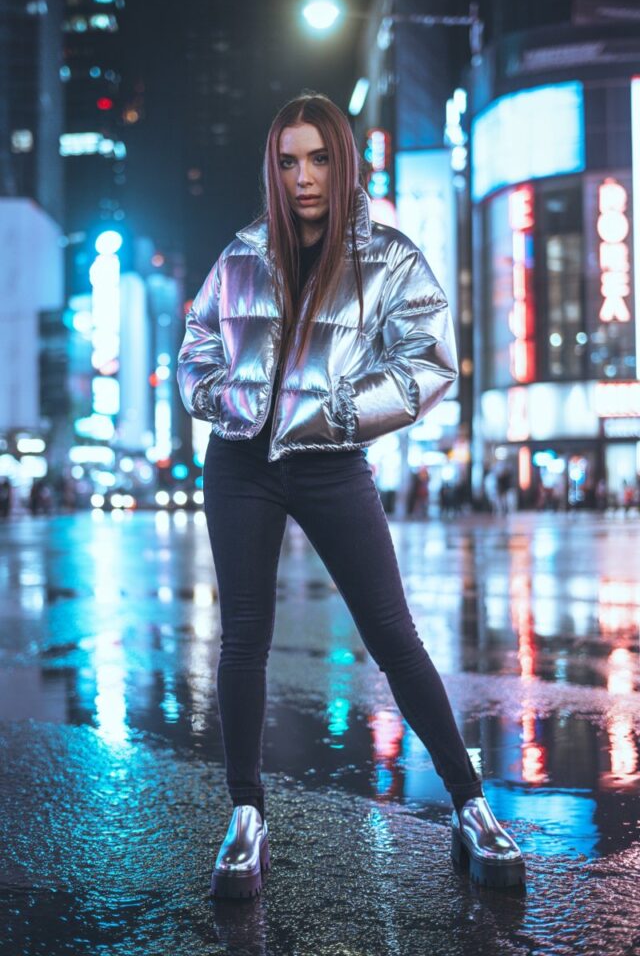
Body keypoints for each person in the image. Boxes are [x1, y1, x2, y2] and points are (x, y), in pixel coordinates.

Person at [177, 93, 525, 899]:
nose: (303, 177)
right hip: (239, 462)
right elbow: (195, 345)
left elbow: (428, 362)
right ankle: (246, 817)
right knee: (243, 639)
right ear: (273, 169)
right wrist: (223, 399)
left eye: (319, 158)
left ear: (344, 163)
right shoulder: (241, 253)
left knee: (393, 635)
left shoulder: (390, 258)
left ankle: (471, 806)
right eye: (288, 161)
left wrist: (339, 411)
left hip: (333, 462)